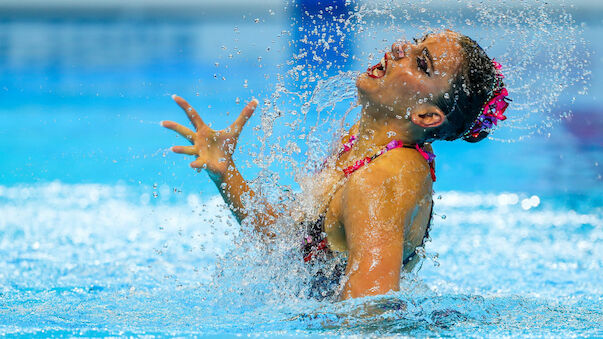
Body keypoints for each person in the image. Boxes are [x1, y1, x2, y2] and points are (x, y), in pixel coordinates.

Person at [161, 30, 510, 301]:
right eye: (417, 42)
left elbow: (370, 314)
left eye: (421, 63)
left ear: (427, 115)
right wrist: (225, 171)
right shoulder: (364, 143)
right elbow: (288, 245)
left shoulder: (381, 181)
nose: (402, 47)